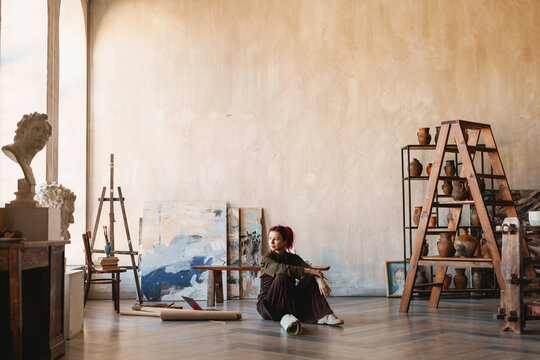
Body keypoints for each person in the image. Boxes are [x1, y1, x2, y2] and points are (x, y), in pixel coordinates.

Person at [257, 225, 344, 325]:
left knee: (310, 278)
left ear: (285, 241)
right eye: (270, 239)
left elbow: (310, 269)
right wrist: (312, 272)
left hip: (288, 302)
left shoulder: (293, 258)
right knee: (282, 277)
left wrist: (319, 280)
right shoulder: (266, 258)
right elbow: (282, 269)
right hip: (270, 305)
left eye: (275, 239)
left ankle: (324, 315)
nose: (271, 242)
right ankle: (288, 316)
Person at [2, 112, 52, 187]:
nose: (41, 135)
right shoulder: (12, 152)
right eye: (36, 129)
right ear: (23, 131)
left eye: (45, 132)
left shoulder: (27, 165)